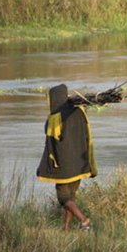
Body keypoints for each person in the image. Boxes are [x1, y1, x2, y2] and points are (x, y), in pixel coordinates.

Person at [37, 84, 97, 231]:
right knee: (71, 196)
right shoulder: (79, 111)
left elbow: (50, 136)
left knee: (64, 198)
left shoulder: (54, 118)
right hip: (79, 164)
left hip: (64, 166)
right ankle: (66, 226)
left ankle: (84, 220)